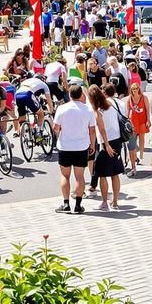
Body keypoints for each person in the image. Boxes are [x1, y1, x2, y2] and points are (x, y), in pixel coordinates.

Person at [53, 82, 97, 214]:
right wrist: (92, 145)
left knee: (65, 175)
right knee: (79, 176)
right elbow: (92, 130)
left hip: (65, 146)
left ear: (70, 95)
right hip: (81, 146)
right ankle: (78, 204)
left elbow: (56, 127)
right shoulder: (88, 110)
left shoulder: (62, 108)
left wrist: (60, 134)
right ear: (81, 95)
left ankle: (66, 203)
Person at [89, 85, 125, 209]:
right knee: (115, 173)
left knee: (102, 173)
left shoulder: (98, 110)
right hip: (117, 140)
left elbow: (102, 128)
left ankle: (104, 202)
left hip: (106, 143)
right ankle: (115, 202)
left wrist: (106, 145)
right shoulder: (111, 105)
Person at [126, 80, 151, 166]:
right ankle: (135, 155)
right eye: (133, 89)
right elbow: (127, 111)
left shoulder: (144, 97)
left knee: (142, 137)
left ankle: (141, 154)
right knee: (132, 139)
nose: (135, 90)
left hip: (142, 119)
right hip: (133, 120)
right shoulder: (129, 98)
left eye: (136, 88)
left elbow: (148, 110)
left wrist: (148, 120)